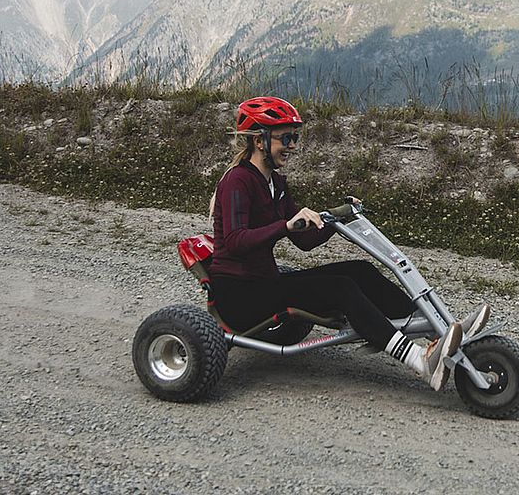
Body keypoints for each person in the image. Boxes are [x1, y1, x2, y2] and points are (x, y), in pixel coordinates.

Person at [207, 96, 490, 391]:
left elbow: (304, 242)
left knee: (359, 270)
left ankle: (438, 331)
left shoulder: (275, 183)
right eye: (287, 138)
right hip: (240, 296)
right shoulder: (237, 181)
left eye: (296, 138)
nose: (293, 146)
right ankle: (419, 360)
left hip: (265, 283)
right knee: (340, 288)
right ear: (260, 140)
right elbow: (235, 241)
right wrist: (285, 225)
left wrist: (333, 219)